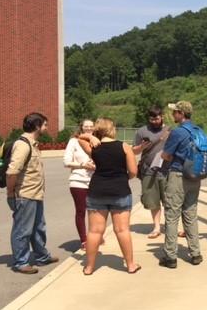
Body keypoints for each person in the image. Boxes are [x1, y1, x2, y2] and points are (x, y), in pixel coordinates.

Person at [78, 118, 140, 275]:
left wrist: (90, 136)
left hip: (97, 190)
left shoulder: (94, 147)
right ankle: (131, 264)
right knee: (122, 229)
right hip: (119, 190)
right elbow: (133, 171)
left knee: (94, 231)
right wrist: (123, 177)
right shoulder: (124, 147)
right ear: (112, 129)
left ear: (97, 130)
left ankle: (89, 267)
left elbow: (79, 138)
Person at [6, 112, 59, 274]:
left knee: (38, 228)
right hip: (25, 195)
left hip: (35, 194)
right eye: (45, 125)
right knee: (23, 230)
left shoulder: (33, 143)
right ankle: (21, 262)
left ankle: (42, 256)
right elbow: (12, 172)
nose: (46, 128)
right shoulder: (23, 145)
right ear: (37, 126)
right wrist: (10, 194)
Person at [158, 101, 204, 268]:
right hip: (195, 177)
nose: (173, 114)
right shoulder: (198, 130)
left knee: (172, 216)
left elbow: (166, 155)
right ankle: (195, 253)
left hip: (178, 175)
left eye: (175, 112)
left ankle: (170, 256)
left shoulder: (178, 132)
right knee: (191, 214)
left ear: (181, 114)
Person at [133, 106, 170, 239]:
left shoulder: (169, 130)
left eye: (157, 118)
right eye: (152, 119)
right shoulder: (142, 131)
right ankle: (156, 227)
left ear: (162, 117)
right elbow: (134, 151)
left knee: (169, 201)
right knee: (152, 201)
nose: (154, 121)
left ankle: (171, 226)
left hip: (167, 171)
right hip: (148, 170)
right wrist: (141, 147)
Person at [63, 119, 96, 249]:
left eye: (91, 126)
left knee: (95, 211)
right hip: (78, 182)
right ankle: (84, 240)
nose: (88, 129)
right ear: (81, 128)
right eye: (86, 126)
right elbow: (66, 162)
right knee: (81, 211)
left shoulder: (97, 141)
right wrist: (82, 165)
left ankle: (94, 236)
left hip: (95, 181)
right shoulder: (74, 142)